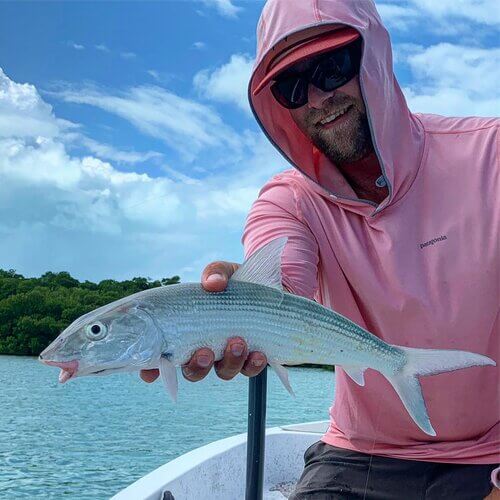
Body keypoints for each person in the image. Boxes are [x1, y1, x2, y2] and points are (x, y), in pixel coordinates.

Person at [141, 0, 499, 497]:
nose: (316, 98)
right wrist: (236, 305)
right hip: (360, 451)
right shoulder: (288, 201)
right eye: (290, 87)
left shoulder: (491, 157)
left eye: (332, 68)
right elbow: (285, 281)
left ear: (373, 56)